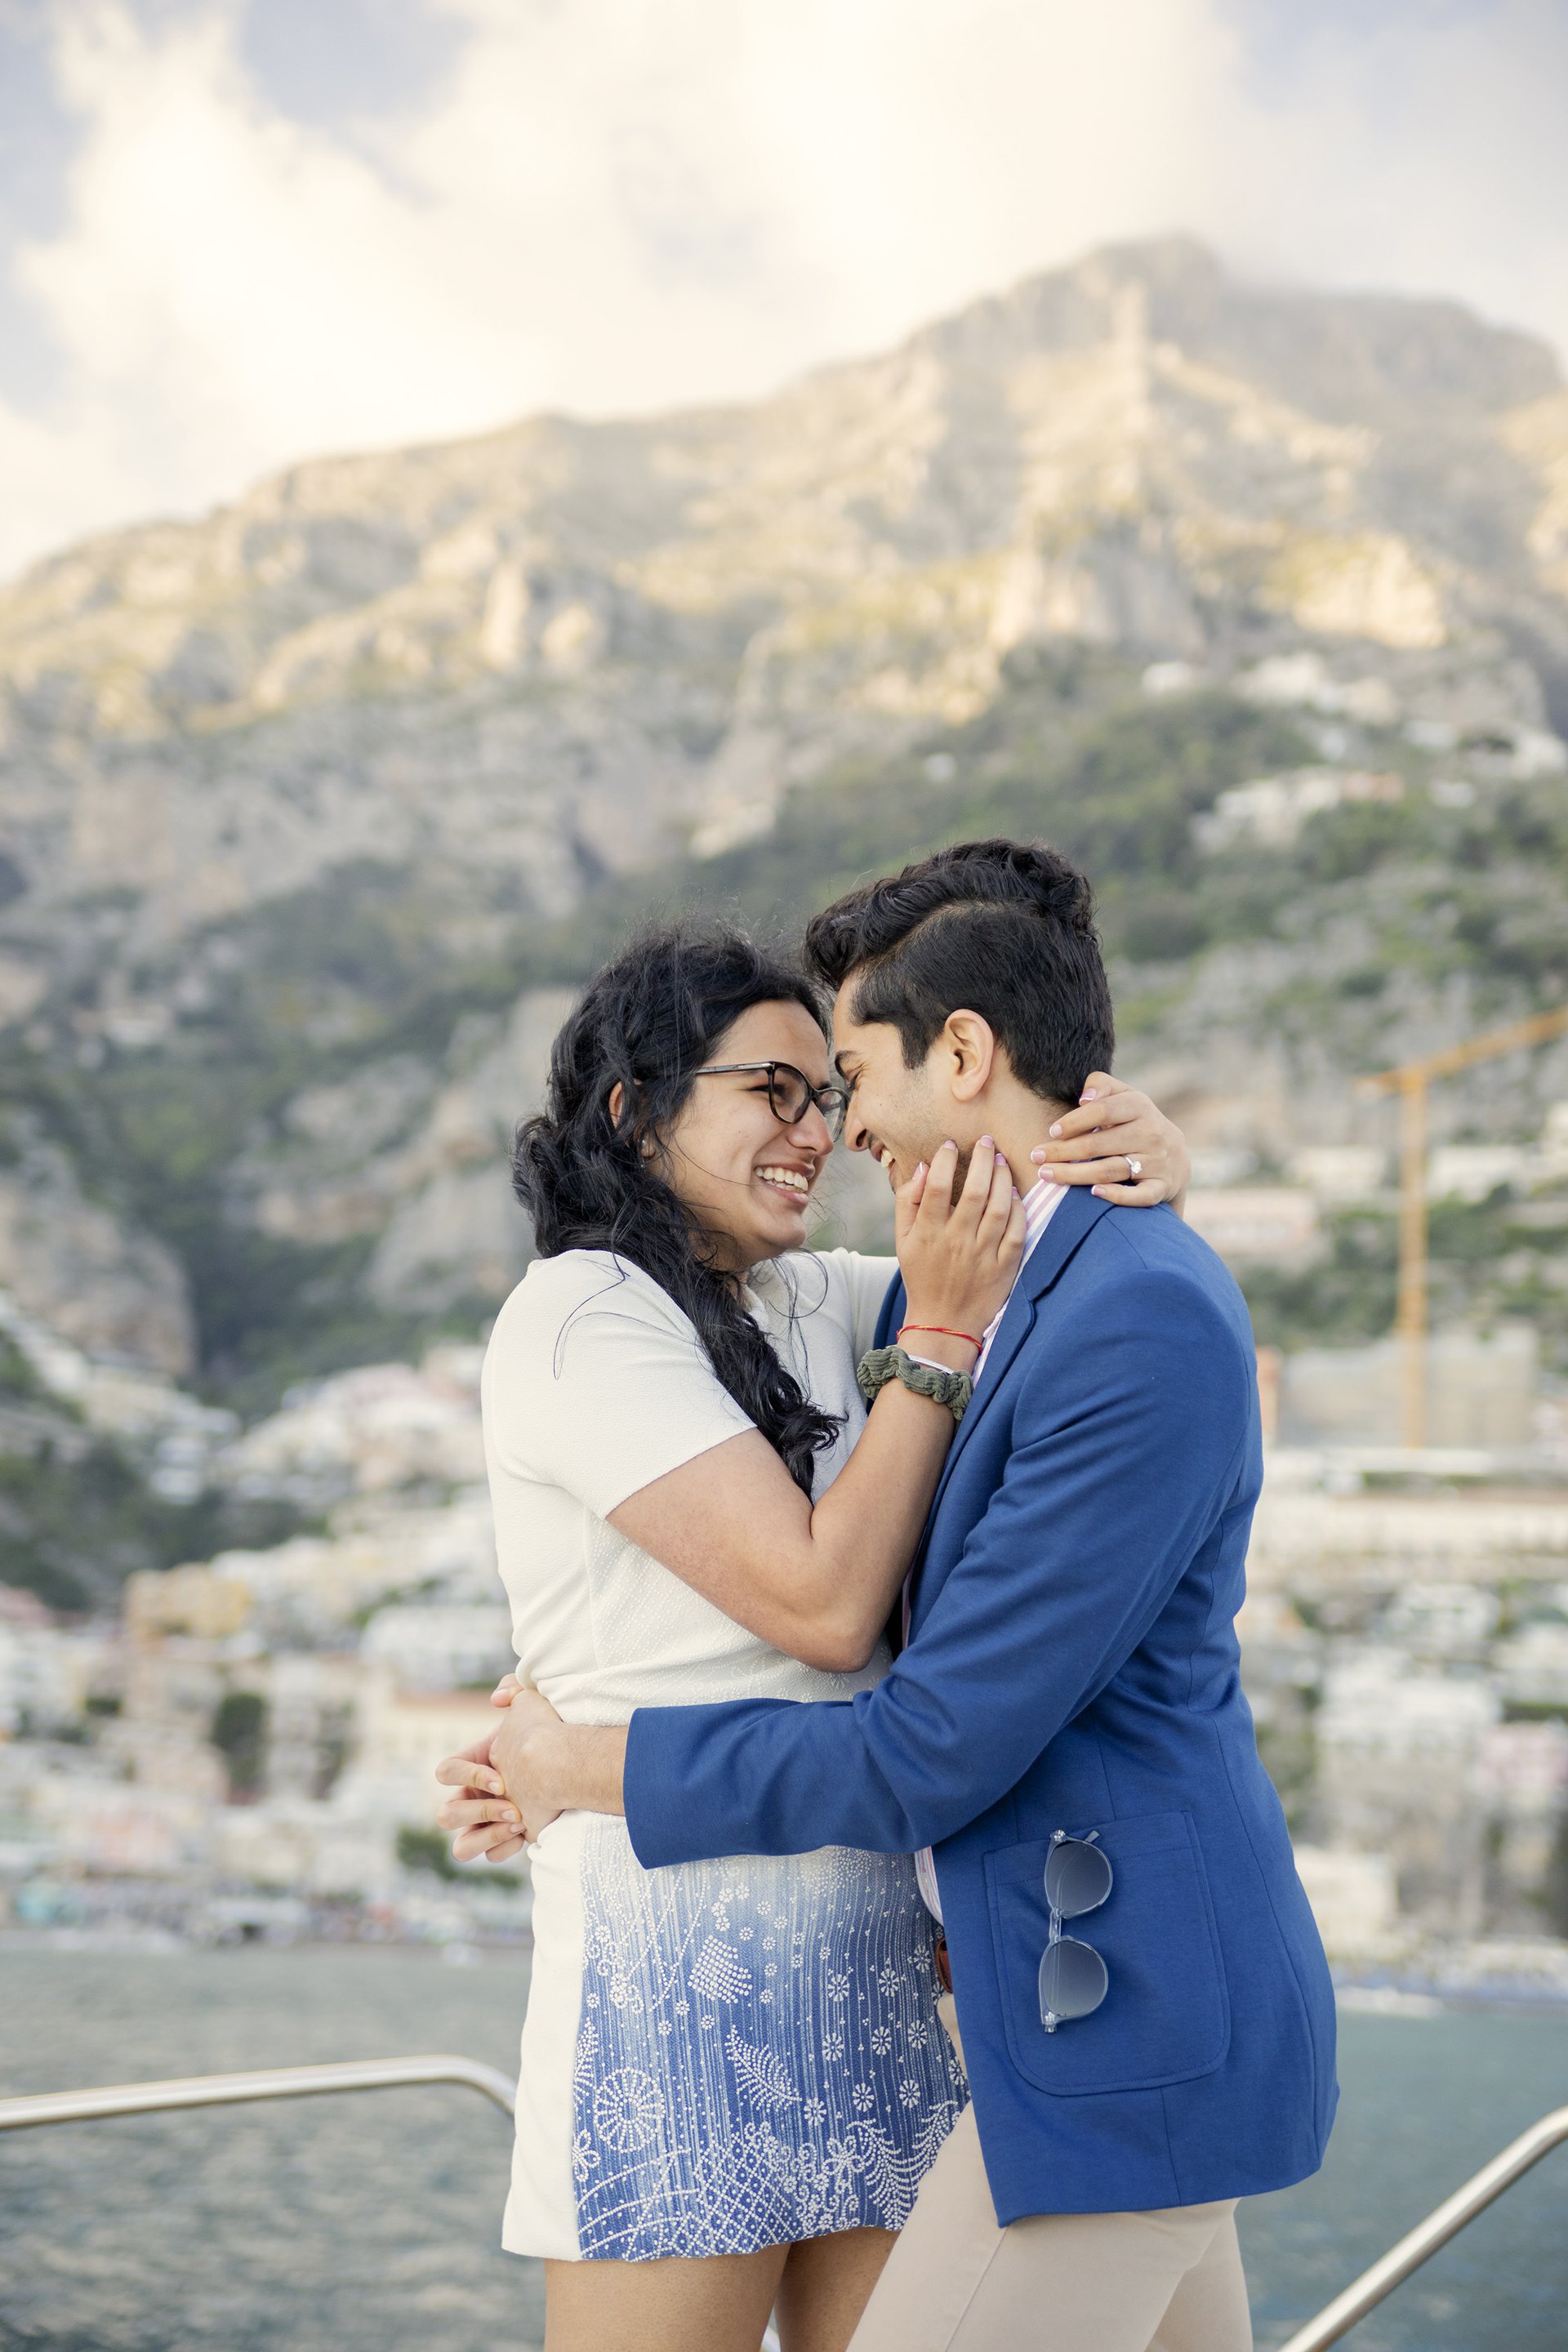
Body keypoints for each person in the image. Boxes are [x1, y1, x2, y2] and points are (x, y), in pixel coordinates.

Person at [448, 839, 1338, 2352]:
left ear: (966, 1053)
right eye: (777, 1091)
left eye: (839, 1081)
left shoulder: (928, 1300)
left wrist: (579, 1764)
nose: (831, 1129)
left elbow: (887, 1680)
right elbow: (982, 1307)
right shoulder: (604, 1314)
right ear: (635, 1108)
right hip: (704, 1975)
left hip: (1008, 2002)